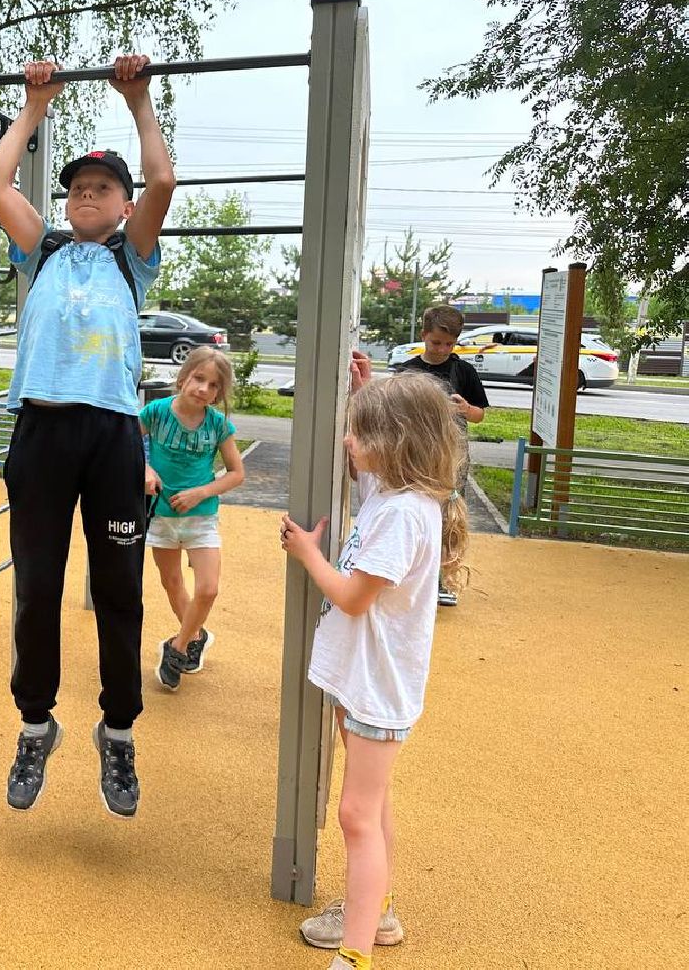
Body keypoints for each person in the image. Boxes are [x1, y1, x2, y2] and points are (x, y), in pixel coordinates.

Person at [0, 54, 175, 819]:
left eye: (101, 189)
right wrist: (35, 107)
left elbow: (163, 179)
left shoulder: (133, 261)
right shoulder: (45, 252)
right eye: (75, 188)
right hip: (42, 429)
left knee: (120, 590)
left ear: (123, 207)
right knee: (36, 588)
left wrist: (140, 99)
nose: (84, 196)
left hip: (113, 435)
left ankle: (118, 733)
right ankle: (37, 723)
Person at [279, 366, 468, 970]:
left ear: (393, 442)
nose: (347, 443)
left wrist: (309, 553)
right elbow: (369, 499)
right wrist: (365, 392)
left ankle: (354, 955)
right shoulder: (394, 496)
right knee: (373, 806)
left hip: (376, 690)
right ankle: (376, 913)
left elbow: (354, 595)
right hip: (363, 683)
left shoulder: (406, 513)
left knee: (356, 815)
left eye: (357, 433)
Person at [141, 346, 244, 691]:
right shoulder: (156, 412)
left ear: (218, 393)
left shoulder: (218, 425)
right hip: (162, 516)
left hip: (201, 517)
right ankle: (196, 635)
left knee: (208, 588)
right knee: (172, 583)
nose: (204, 389)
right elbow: (123, 442)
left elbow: (235, 474)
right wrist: (145, 468)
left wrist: (202, 492)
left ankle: (177, 648)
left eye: (213, 385)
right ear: (184, 377)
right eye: (199, 379)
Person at [395, 304, 487, 606]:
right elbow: (393, 414)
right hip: (415, 456)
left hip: (452, 458)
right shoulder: (407, 372)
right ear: (424, 335)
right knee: (413, 513)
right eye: (436, 342)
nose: (443, 349)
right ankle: (409, 576)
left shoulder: (464, 371)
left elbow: (478, 416)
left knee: (450, 518)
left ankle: (446, 579)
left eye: (450, 344)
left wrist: (464, 409)